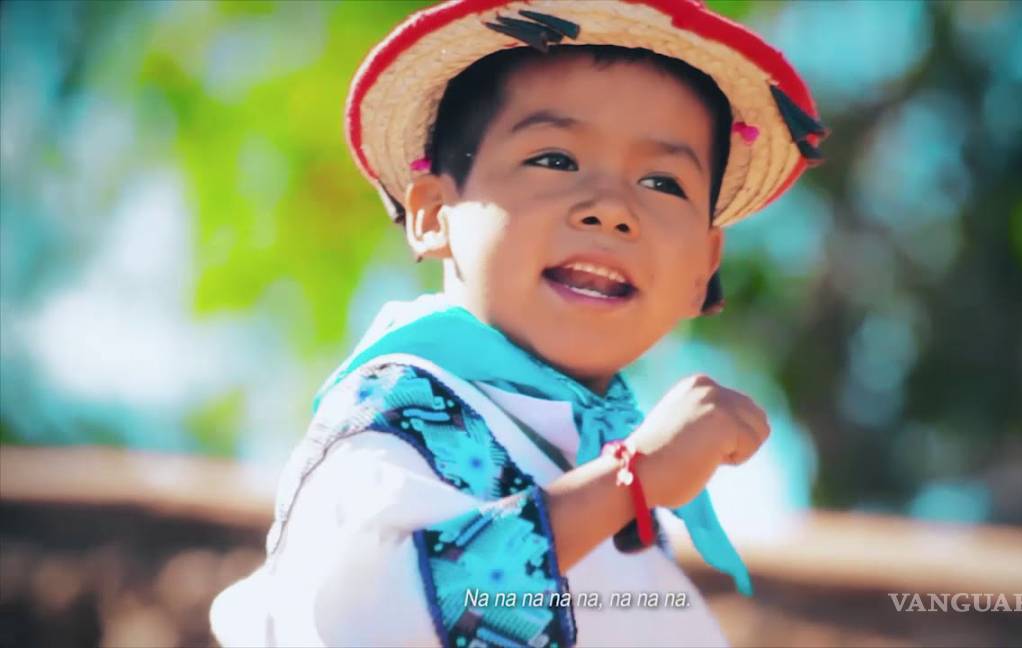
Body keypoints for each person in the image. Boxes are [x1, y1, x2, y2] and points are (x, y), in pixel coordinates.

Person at [211, 1, 825, 646]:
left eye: (662, 181)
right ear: (433, 213)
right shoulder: (401, 414)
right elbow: (367, 620)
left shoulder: (604, 476)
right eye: (555, 160)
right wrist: (629, 479)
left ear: (704, 264)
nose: (612, 209)